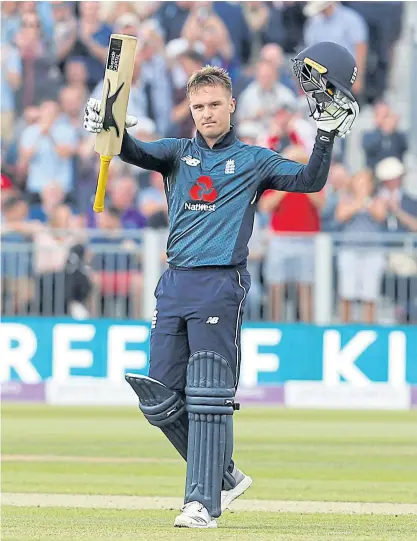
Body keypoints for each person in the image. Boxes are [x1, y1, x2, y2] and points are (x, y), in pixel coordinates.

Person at [84, 42, 359, 528]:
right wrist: (109, 123)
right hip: (174, 285)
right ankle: (224, 474)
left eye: (214, 104)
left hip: (220, 284)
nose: (206, 113)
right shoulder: (177, 153)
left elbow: (310, 182)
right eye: (198, 107)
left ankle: (202, 503)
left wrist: (324, 137)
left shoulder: (253, 160)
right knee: (158, 396)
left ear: (232, 104)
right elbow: (133, 150)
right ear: (190, 110)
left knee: (209, 395)